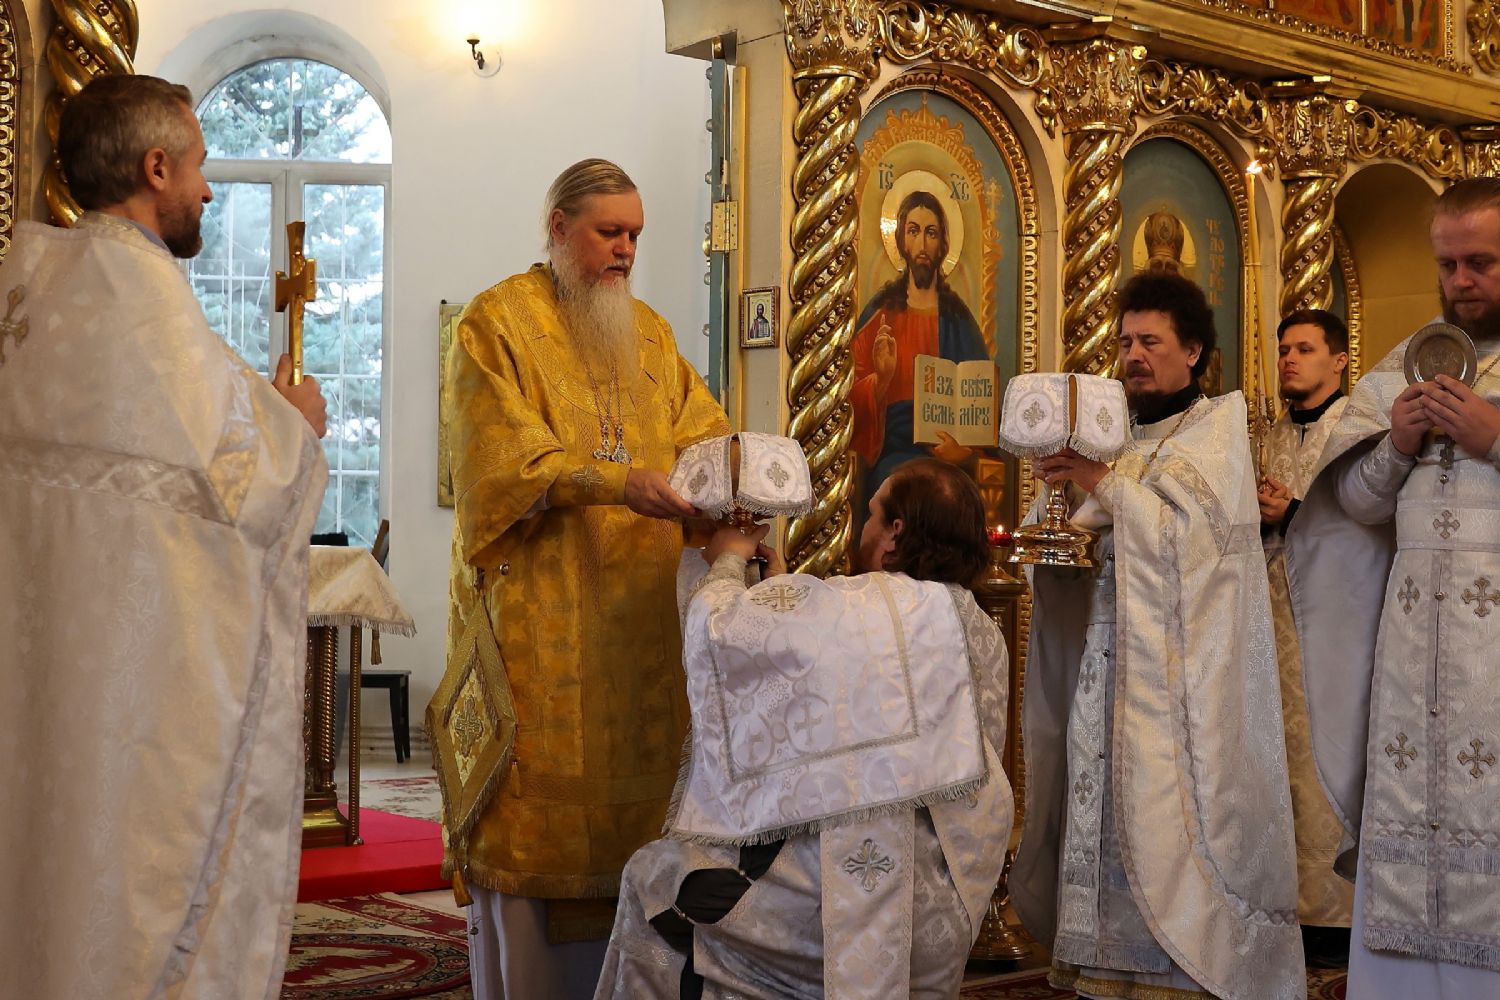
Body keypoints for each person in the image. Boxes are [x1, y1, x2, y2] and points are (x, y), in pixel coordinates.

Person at [0, 74, 329, 999]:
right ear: (156, 168)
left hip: (32, 677)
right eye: (199, 167)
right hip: (126, 694)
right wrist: (297, 425)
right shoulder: (143, 302)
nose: (208, 190)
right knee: (117, 888)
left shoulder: (30, 288)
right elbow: (246, 491)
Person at [437, 158, 730, 999]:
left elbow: (704, 438)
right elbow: (498, 468)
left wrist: (744, 492)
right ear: (559, 227)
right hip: (542, 639)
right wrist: (616, 482)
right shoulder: (496, 323)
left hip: (639, 638)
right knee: (535, 834)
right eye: (609, 232)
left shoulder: (652, 336)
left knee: (640, 838)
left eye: (634, 233)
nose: (625, 249)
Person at [594, 457, 1013, 999]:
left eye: (871, 516)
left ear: (895, 533)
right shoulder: (976, 625)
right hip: (945, 916)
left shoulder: (864, 605)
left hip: (842, 918)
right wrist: (783, 590)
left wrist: (728, 560)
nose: (863, 530)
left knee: (652, 878)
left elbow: (718, 633)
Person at [1017, 272, 1303, 999]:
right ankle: (1105, 969)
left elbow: (1191, 549)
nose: (1133, 356)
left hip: (1180, 687)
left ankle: (1182, 965)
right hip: (1106, 665)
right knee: (1104, 810)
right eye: (1125, 342)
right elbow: (1071, 543)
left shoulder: (1215, 434)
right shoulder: (1113, 437)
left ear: (1193, 350)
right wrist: (1057, 519)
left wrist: (1103, 485)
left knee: (1164, 817)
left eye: (1150, 341)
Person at [1286, 177, 1500, 998]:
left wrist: (1494, 438)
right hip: (1412, 660)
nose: (1461, 282)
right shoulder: (1404, 364)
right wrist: (1397, 445)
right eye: (1448, 265)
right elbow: (1356, 505)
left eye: (1480, 262)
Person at [1258, 309, 1354, 965]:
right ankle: (1282, 906)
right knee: (1276, 762)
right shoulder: (1264, 436)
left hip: (1334, 624)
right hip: (1267, 620)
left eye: (1305, 349)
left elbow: (1369, 523)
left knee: (1327, 759)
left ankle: (1336, 914)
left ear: (1339, 360)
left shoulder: (1359, 432)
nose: (1289, 359)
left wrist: (1293, 511)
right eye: (1284, 349)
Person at [851, 188, 991, 498]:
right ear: (901, 240)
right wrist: (881, 380)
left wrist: (964, 451)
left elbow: (982, 402)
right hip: (893, 454)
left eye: (931, 233)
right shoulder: (880, 315)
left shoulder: (959, 319)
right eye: (914, 231)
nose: (923, 245)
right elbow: (848, 397)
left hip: (947, 455)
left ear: (943, 244)